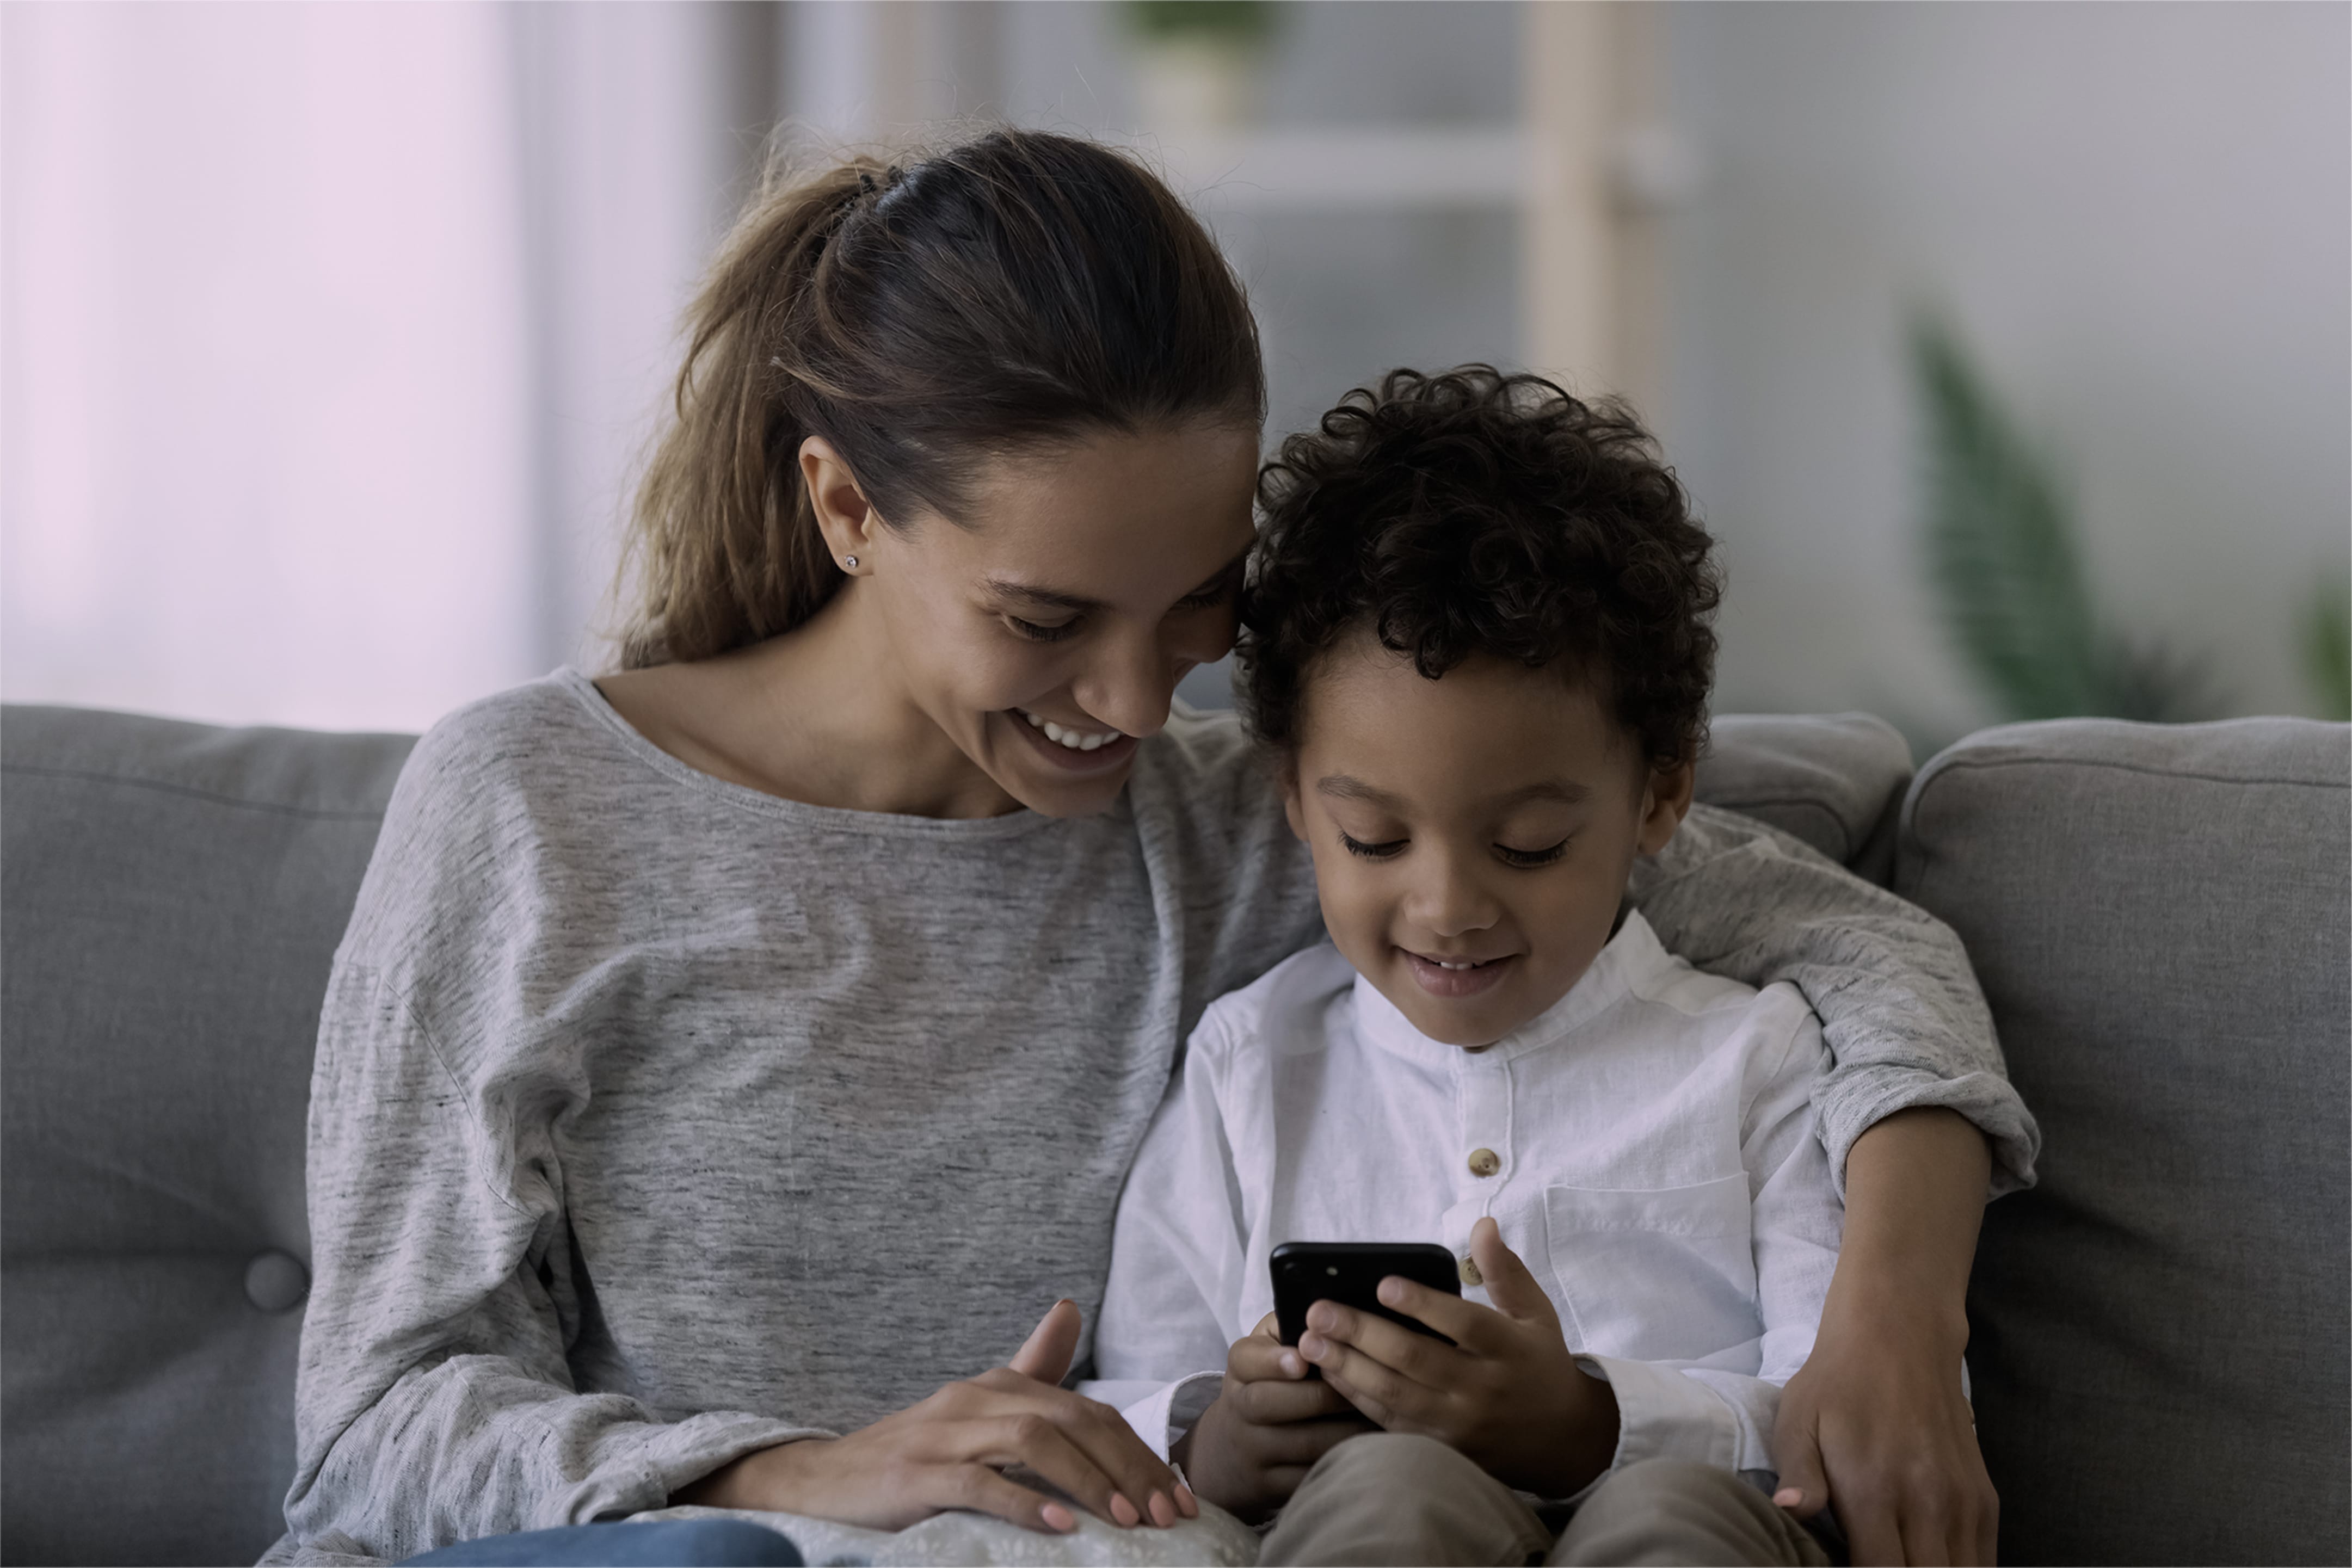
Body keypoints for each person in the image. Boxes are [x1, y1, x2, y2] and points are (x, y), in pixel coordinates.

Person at [270, 129, 2034, 1568]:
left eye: (1198, 601)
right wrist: (803, 1474)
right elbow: (373, 1432)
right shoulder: (528, 810)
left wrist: (1881, 1326)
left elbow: (1862, 950)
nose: (1128, 702)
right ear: (845, 507)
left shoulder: (1271, 831)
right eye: (1046, 615)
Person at [1094, 366, 1865, 1565]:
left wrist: (1589, 1422)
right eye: (1374, 839)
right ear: (1293, 796)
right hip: (1363, 1524)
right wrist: (1222, 1441)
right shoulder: (1252, 1065)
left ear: (1661, 793)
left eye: (1528, 846)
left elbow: (1842, 1404)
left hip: (1694, 1521)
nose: (1447, 906)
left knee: (1668, 1515)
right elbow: (1133, 1392)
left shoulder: (1755, 1056)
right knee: (1390, 1486)